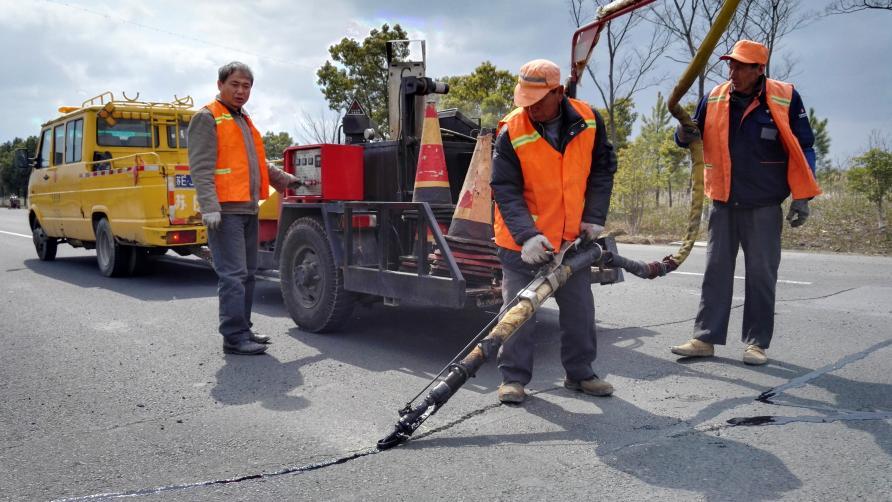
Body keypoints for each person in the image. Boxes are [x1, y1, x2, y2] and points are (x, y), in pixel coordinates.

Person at [670, 40, 821, 365]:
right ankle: (704, 338)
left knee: (761, 275)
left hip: (764, 204)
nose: (732, 72)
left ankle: (756, 344)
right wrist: (683, 134)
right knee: (715, 272)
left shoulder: (785, 96)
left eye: (740, 66)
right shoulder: (714, 97)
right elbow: (688, 135)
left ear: (759, 69)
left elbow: (805, 146)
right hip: (723, 202)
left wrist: (803, 195)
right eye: (731, 65)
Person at [490, 59, 617, 404]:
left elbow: (603, 170)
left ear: (558, 93)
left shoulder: (589, 120)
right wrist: (526, 235)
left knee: (579, 310)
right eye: (525, 100)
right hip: (523, 242)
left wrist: (594, 216)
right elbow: (504, 188)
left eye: (537, 100)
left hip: (572, 239)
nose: (530, 107)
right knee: (519, 312)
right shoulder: (511, 130)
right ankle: (513, 378)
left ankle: (580, 373)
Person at [188, 61, 299, 355]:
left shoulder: (242, 119)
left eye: (246, 86)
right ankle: (234, 337)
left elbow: (256, 163)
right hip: (224, 212)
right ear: (220, 85)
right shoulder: (207, 117)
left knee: (249, 273)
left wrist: (284, 180)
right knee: (233, 275)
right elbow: (200, 167)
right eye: (234, 84)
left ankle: (243, 328)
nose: (240, 91)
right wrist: (209, 207)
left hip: (249, 208)